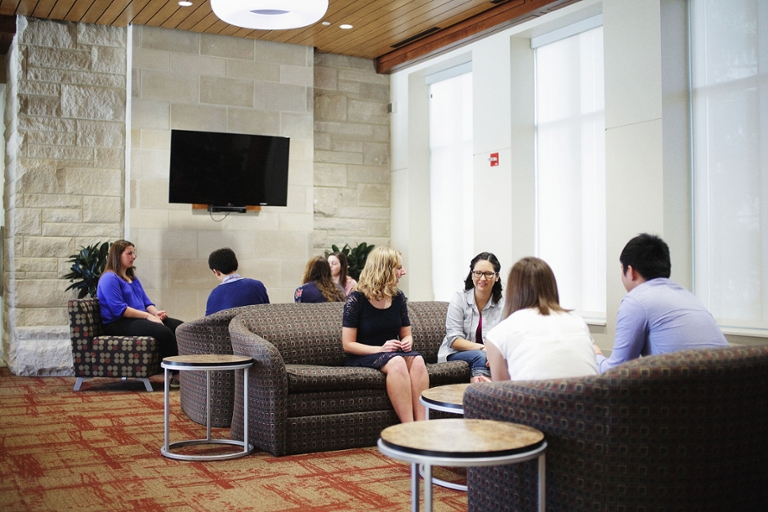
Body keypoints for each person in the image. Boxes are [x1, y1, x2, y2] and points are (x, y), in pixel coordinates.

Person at [593, 233, 728, 372]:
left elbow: (617, 372)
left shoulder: (635, 300)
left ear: (631, 271)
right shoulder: (687, 296)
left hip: (685, 390)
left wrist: (595, 355)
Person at [342, 247, 428, 422]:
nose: (403, 272)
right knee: (396, 362)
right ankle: (408, 427)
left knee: (417, 360)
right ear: (384, 270)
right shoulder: (356, 300)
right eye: (398, 268)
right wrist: (380, 349)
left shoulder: (398, 297)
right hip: (365, 355)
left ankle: (423, 425)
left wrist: (407, 342)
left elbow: (406, 334)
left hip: (392, 352)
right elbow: (348, 344)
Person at [485, 257, 598, 381]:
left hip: (535, 399)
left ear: (513, 291)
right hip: (588, 398)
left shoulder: (500, 333)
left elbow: (503, 393)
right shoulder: (578, 322)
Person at [96, 240, 183, 384]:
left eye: (134, 253)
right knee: (164, 332)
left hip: (138, 318)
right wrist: (148, 316)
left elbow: (146, 301)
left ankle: (189, 368)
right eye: (129, 253)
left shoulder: (131, 277)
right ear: (118, 256)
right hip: (118, 322)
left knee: (180, 327)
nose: (134, 256)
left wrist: (155, 313)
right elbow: (120, 309)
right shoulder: (109, 278)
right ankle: (175, 375)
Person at [437, 252, 505, 383]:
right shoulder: (459, 299)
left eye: (488, 274)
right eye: (478, 273)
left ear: (497, 277)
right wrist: (484, 348)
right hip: (454, 353)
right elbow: (454, 340)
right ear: (472, 274)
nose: (482, 278)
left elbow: (506, 338)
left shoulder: (503, 304)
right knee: (481, 356)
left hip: (489, 354)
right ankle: (480, 398)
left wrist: (495, 353)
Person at [206, 248, 270, 316]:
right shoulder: (257, 286)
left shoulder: (215, 294)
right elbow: (267, 313)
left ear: (216, 272)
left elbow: (209, 323)